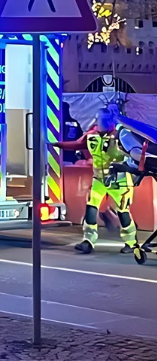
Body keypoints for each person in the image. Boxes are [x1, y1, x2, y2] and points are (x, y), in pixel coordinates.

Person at [56, 108, 137, 254]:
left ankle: (131, 243)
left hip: (120, 181)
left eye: (107, 120)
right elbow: (77, 145)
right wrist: (56, 144)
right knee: (91, 207)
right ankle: (88, 241)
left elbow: (135, 154)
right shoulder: (91, 136)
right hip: (99, 179)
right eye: (101, 119)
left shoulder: (121, 136)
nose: (103, 123)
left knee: (123, 211)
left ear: (112, 121)